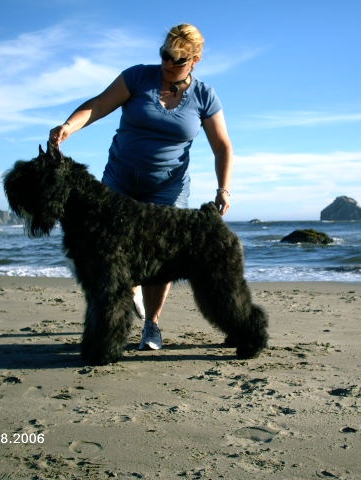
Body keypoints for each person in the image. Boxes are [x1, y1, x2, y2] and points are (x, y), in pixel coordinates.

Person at [49, 24, 233, 351]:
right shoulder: (136, 77)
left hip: (168, 190)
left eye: (177, 59)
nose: (167, 63)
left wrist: (224, 189)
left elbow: (222, 147)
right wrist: (68, 126)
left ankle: (152, 325)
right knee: (112, 264)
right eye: (164, 55)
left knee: (162, 261)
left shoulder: (204, 95)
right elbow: (98, 105)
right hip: (119, 184)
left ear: (195, 59)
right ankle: (113, 322)